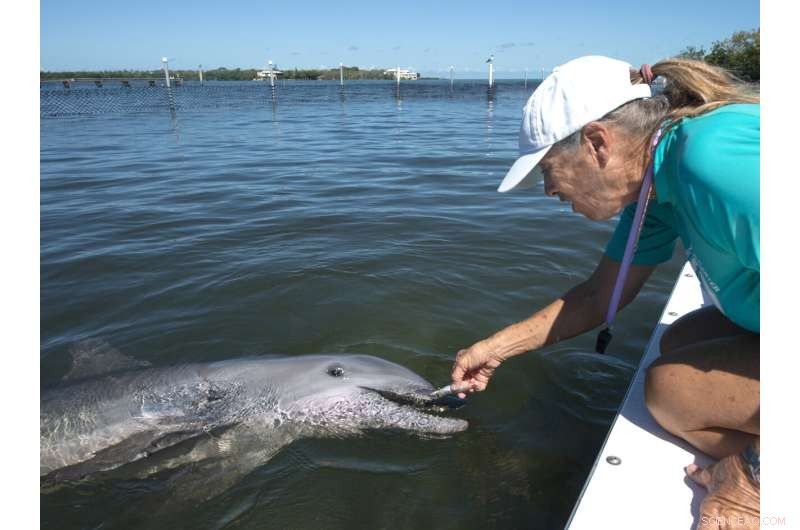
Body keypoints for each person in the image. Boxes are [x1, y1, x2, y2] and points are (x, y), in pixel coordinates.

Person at [450, 56, 759, 528]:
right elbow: (599, 295)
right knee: (682, 341)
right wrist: (496, 349)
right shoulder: (658, 185)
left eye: (548, 170)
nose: (549, 190)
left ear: (597, 142)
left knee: (671, 390)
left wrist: (751, 478)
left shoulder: (711, 160)